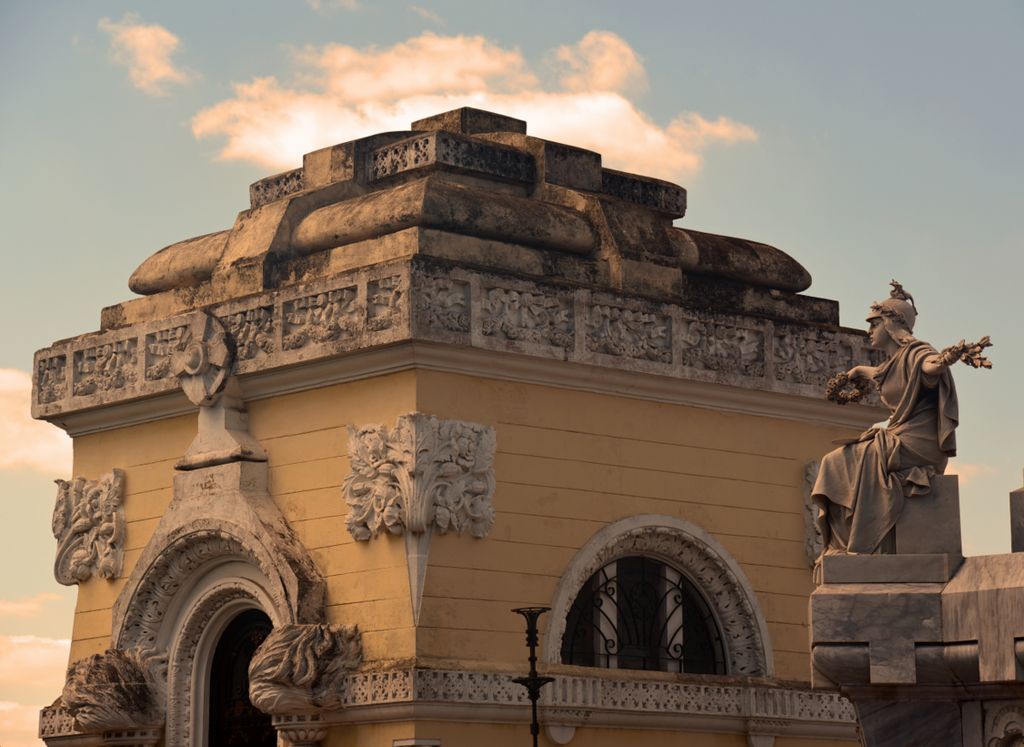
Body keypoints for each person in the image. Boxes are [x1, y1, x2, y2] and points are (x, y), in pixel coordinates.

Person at [812, 282, 959, 556]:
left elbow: (929, 366)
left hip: (919, 443)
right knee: (833, 462)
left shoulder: (918, 353)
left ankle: (855, 544)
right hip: (900, 437)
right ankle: (841, 541)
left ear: (890, 325)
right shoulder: (891, 364)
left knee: (845, 461)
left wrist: (944, 360)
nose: (869, 331)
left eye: (873, 324)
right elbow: (878, 373)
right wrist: (856, 371)